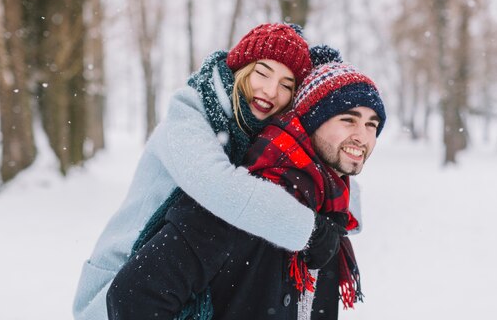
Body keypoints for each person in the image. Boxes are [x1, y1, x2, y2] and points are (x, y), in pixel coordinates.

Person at [73, 23, 352, 320]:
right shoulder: (188, 117)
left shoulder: (261, 137)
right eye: (262, 72)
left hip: (178, 289)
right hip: (121, 291)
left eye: (287, 85)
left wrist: (324, 94)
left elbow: (333, 183)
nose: (271, 90)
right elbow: (220, 188)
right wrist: (308, 229)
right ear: (240, 69)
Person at [106, 60, 387, 320]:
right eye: (348, 120)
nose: (362, 136)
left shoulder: (331, 213)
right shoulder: (240, 200)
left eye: (371, 125)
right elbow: (133, 297)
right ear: (312, 120)